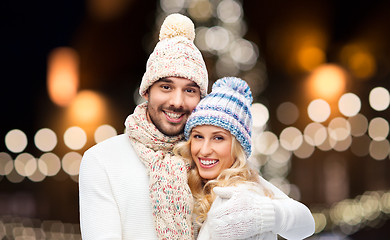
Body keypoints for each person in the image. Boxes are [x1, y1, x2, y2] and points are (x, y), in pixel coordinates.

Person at [79, 13, 208, 239]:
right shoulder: (102, 160)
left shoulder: (210, 158)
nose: (177, 102)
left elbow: (291, 218)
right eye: (166, 87)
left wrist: (270, 214)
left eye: (190, 90)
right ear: (147, 91)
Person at [174, 77, 315, 239]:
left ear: (237, 147)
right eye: (198, 137)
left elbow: (306, 222)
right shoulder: (181, 181)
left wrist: (264, 214)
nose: (204, 150)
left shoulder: (244, 195)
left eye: (218, 138)